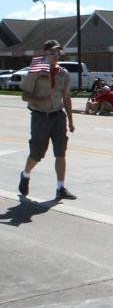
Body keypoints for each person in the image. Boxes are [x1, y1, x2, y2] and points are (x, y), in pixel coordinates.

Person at [18, 40, 76, 200]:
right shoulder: (36, 72)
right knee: (37, 154)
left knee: (60, 153)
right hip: (40, 117)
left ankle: (60, 187)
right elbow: (24, 96)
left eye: (59, 53)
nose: (57, 56)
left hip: (58, 116)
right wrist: (38, 98)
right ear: (45, 54)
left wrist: (70, 121)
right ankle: (25, 174)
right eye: (53, 53)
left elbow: (67, 98)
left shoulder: (63, 73)